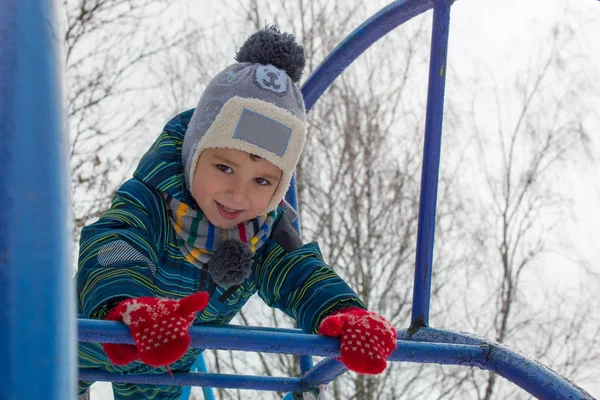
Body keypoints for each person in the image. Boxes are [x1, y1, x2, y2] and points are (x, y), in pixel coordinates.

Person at [76, 26, 397, 400]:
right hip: (94, 335)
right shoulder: (153, 200)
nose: (238, 194)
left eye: (262, 181)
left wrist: (345, 312)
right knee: (40, 381)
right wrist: (127, 304)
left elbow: (302, 273)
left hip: (165, 360)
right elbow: (115, 243)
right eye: (224, 168)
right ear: (194, 154)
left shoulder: (264, 232)